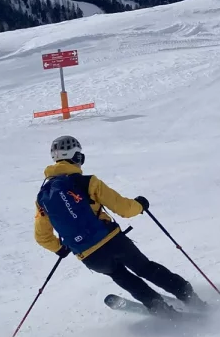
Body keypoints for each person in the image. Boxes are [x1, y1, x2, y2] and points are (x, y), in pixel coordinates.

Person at [33, 135, 204, 315]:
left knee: (119, 275)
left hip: (89, 256)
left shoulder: (42, 198)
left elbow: (41, 236)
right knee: (145, 268)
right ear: (77, 157)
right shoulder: (88, 182)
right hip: (113, 241)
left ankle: (159, 308)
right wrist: (140, 205)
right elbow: (123, 209)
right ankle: (190, 297)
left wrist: (59, 248)